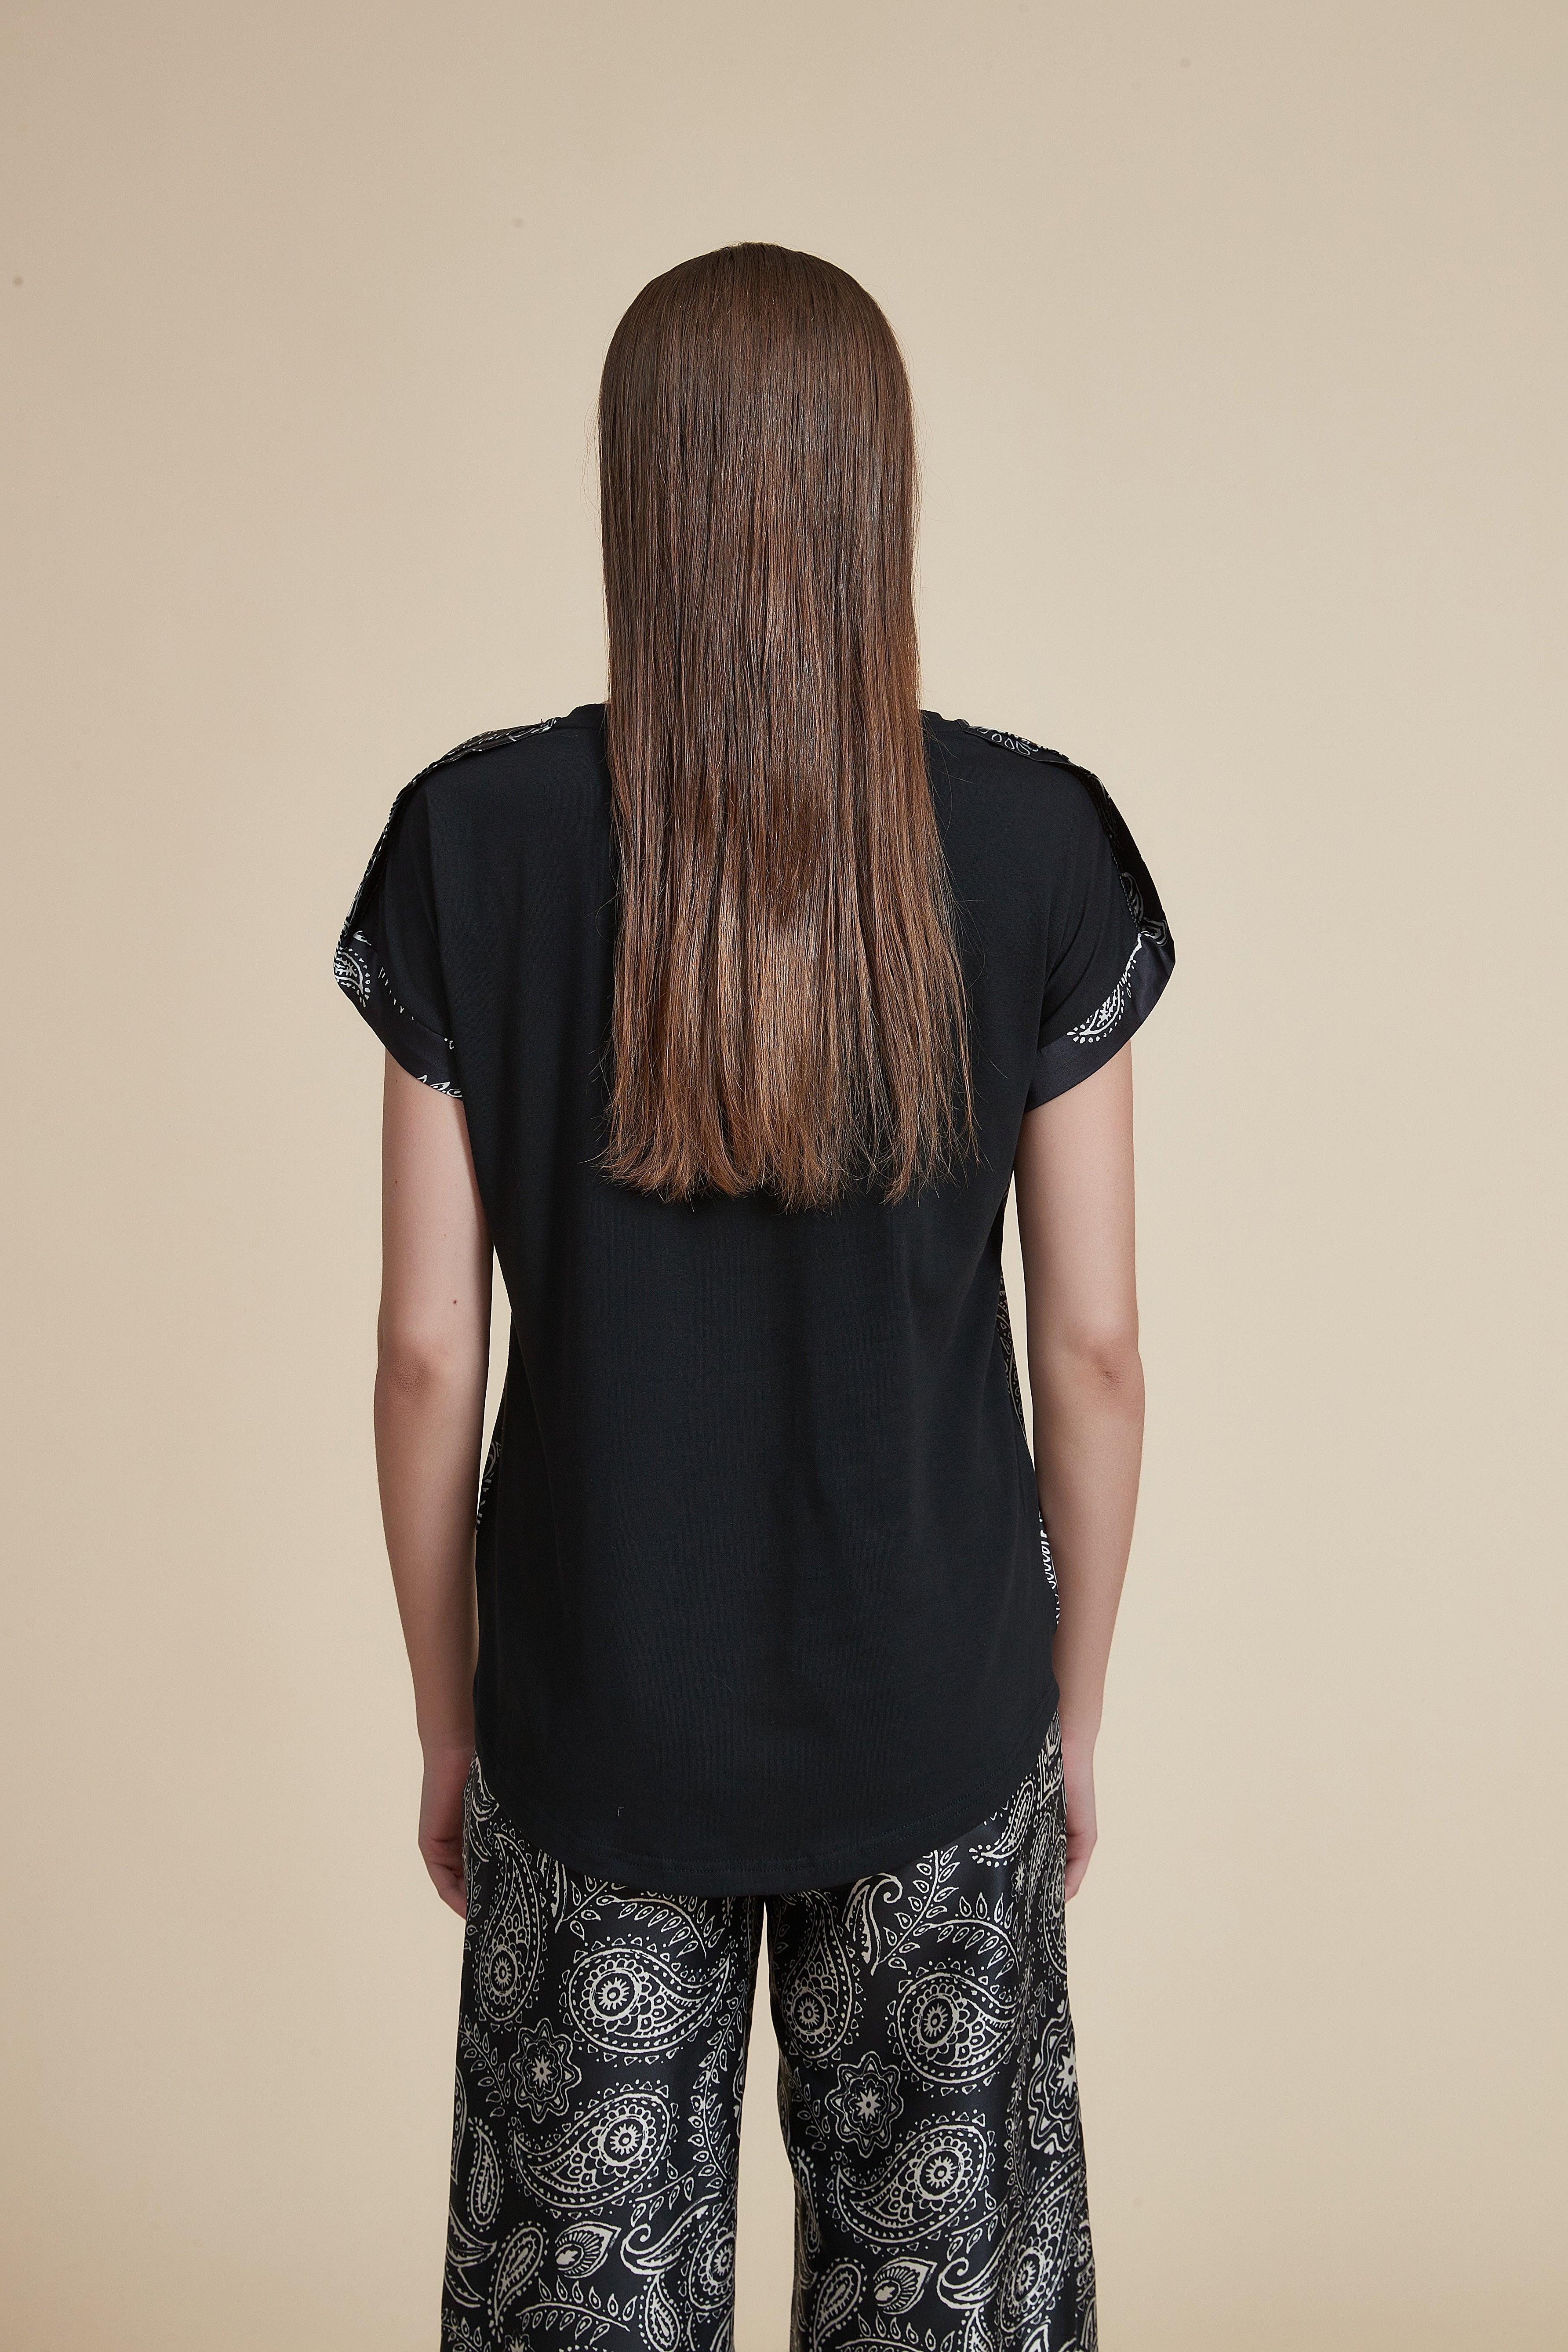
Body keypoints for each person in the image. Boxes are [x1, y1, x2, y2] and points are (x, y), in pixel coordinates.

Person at [335, 242, 1172, 2352]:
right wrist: (1067, 1709)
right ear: (880, 489)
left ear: (636, 491)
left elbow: (426, 1354)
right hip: (936, 1711)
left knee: (577, 2308)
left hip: (589, 1716)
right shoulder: (1038, 841)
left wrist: (448, 1717)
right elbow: (1093, 1352)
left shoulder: (472, 840)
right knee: (946, 2312)